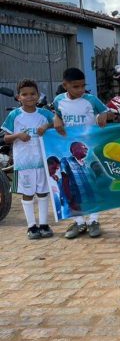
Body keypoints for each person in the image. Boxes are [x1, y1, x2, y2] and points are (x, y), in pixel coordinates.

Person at [52, 67, 112, 239]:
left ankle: (94, 220)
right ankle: (79, 222)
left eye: (82, 86)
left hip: (90, 149)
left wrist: (104, 115)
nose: (80, 90)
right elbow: (57, 116)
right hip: (68, 149)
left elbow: (106, 111)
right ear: (65, 86)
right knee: (72, 186)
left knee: (93, 182)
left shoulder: (91, 100)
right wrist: (56, 118)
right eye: (75, 87)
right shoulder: (58, 101)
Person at [1, 79, 55, 240]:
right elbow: (6, 138)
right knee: (27, 194)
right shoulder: (14, 115)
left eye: (33, 94)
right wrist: (18, 135)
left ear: (38, 96)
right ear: (18, 97)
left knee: (43, 192)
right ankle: (31, 226)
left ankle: (44, 224)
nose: (29, 97)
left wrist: (46, 127)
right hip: (23, 163)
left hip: (42, 161)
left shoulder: (44, 114)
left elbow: (58, 122)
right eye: (25, 94)